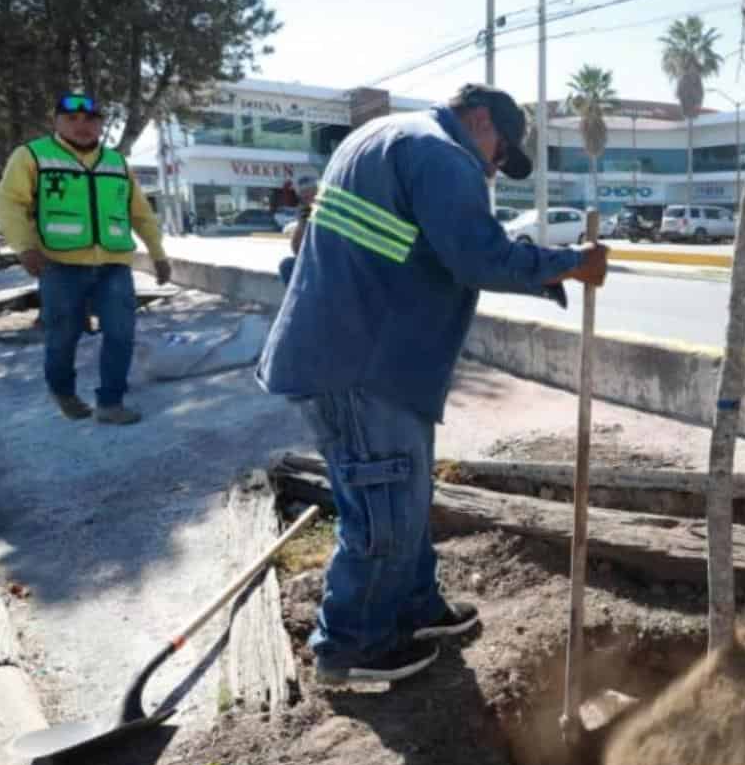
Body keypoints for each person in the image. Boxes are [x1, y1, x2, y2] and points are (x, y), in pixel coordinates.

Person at [258, 84, 608, 686]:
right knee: (382, 512)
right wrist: (570, 262)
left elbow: (420, 250)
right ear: (478, 120)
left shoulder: (384, 137)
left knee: (405, 497)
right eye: (500, 154)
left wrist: (545, 270)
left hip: (366, 355)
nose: (495, 170)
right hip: (361, 364)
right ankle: (351, 646)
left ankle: (416, 607)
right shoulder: (442, 153)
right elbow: (477, 257)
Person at [0, 92, 172, 425]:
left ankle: (110, 403)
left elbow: (142, 213)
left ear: (101, 124)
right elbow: (9, 204)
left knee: (121, 333)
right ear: (56, 122)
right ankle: (63, 391)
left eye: (90, 119)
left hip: (114, 265)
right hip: (59, 265)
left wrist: (158, 254)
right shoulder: (32, 156)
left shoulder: (116, 163)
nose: (82, 125)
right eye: (71, 118)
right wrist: (24, 247)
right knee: (63, 336)